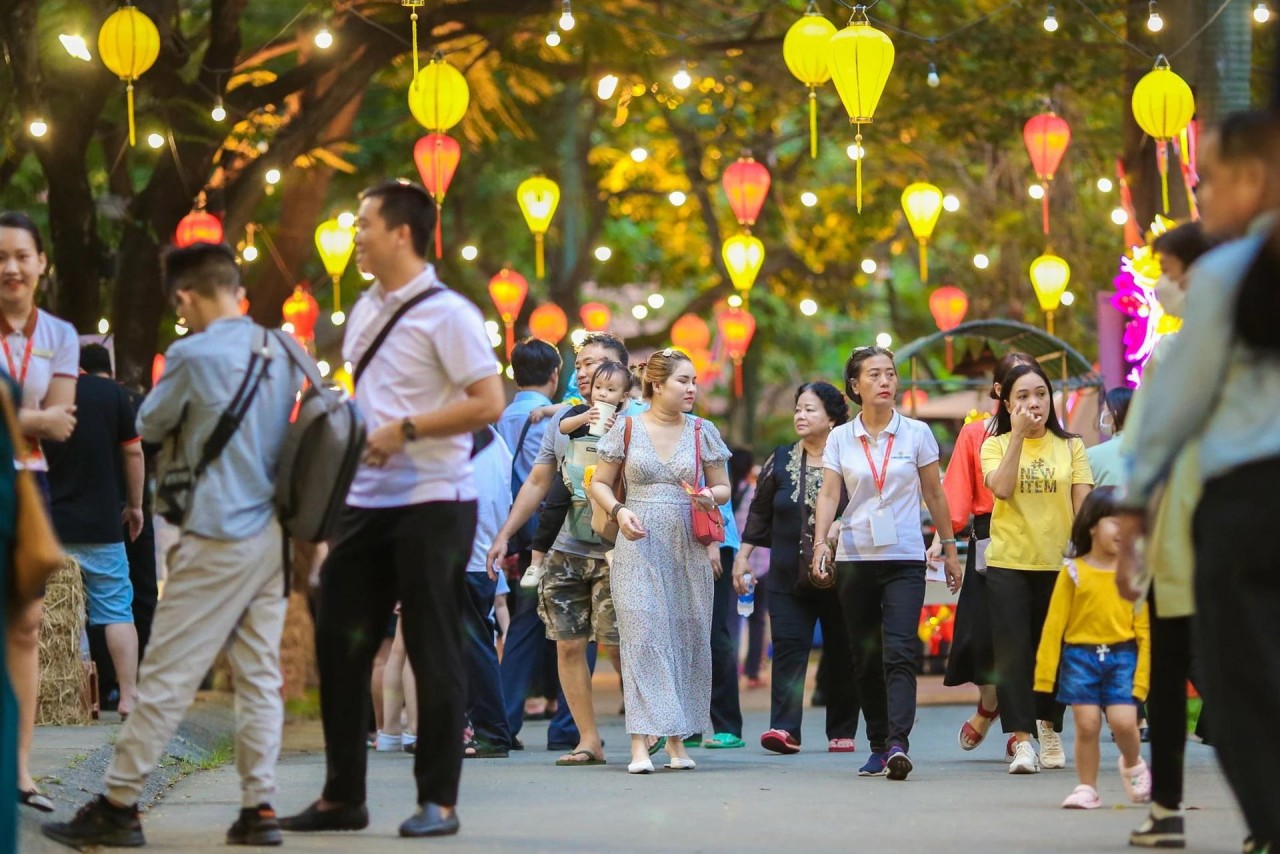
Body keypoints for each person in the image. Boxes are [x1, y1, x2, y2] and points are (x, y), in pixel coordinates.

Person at [43, 242, 308, 848]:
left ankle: (119, 804)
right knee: (259, 675)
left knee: (165, 672)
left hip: (214, 533)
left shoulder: (191, 353)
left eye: (178, 306)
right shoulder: (285, 349)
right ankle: (259, 809)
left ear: (185, 295)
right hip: (272, 537)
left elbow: (151, 423)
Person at [281, 182, 504, 840]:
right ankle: (342, 797)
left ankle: (439, 801)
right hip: (364, 501)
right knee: (340, 642)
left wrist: (407, 430)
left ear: (401, 233)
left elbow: (488, 402)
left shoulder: (450, 314)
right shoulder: (365, 309)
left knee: (433, 648)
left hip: (435, 502)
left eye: (364, 225)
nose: (356, 236)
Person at [1119, 110, 1280, 852]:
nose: (1201, 194)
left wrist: (1135, 503)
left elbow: (1170, 410)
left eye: (1208, 180)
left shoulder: (1228, 275)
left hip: (1246, 504)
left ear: (1252, 178)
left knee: (1241, 679)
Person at [811, 346, 962, 781]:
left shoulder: (916, 433)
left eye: (890, 374)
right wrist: (820, 544)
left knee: (899, 651)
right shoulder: (840, 438)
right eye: (874, 374)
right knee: (864, 656)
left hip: (905, 558)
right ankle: (878, 743)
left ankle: (898, 743)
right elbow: (829, 494)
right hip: (855, 557)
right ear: (855, 385)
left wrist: (949, 549)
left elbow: (934, 493)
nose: (885, 381)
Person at [485, 332, 629, 768]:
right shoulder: (563, 419)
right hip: (567, 548)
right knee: (568, 645)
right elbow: (537, 481)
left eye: (596, 363)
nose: (584, 372)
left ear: (621, 372)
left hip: (620, 550)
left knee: (620, 646)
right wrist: (505, 534)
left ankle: (653, 728)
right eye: (580, 364)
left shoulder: (639, 418)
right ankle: (587, 739)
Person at [1118, 220, 1216, 849]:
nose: (1161, 286)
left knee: (1170, 668)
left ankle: (1167, 809)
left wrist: (1131, 532)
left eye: (1168, 273)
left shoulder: (1173, 354)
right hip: (1242, 531)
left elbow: (1144, 449)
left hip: (1181, 534)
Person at [589, 349, 731, 774]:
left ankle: (676, 741)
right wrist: (619, 511)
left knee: (683, 637)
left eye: (693, 381)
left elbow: (723, 487)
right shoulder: (627, 428)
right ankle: (639, 742)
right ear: (656, 384)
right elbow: (599, 483)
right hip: (637, 541)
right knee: (643, 636)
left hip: (687, 545)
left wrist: (710, 496)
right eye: (683, 381)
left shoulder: (702, 430)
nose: (692, 389)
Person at [0, 211, 78, 815]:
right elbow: (44, 418)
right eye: (0, 258)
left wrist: (20, 420)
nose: (10, 268)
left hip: (29, 487)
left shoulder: (60, 333)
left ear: (41, 263)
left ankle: (20, 771)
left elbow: (63, 421)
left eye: (22, 256)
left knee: (26, 625)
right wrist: (34, 420)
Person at [980, 360, 1093, 775]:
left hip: (1059, 564)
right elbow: (1002, 488)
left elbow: (1084, 508)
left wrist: (1086, 558)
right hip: (1009, 562)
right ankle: (1022, 741)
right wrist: (1016, 438)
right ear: (1007, 404)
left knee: (1056, 651)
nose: (1034, 403)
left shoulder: (1072, 446)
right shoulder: (993, 446)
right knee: (1013, 655)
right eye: (1023, 396)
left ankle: (1048, 726)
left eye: (1041, 394)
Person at [737, 381, 860, 754]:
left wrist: (841, 525)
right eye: (798, 409)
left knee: (842, 651)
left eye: (810, 409)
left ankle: (842, 729)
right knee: (788, 648)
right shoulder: (780, 459)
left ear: (832, 418)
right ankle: (784, 728)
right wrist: (743, 556)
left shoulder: (853, 460)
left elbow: (868, 506)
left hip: (843, 575)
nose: (800, 416)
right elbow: (759, 513)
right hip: (787, 574)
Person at [932, 352, 1034, 760]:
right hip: (989, 540)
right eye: (1017, 385)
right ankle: (990, 704)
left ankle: (1019, 723)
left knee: (1028, 637)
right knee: (982, 637)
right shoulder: (976, 435)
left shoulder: (1053, 438)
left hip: (1037, 539)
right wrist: (942, 538)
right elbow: (957, 492)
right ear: (999, 391)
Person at [1034, 487, 1151, 809]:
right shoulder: (1073, 571)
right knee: (1086, 725)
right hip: (1080, 658)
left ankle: (1133, 763)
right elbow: (1054, 626)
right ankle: (1087, 787)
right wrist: (1044, 676)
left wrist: (1143, 678)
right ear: (1092, 526)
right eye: (1115, 522)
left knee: (1124, 723)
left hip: (1122, 657)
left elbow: (1144, 631)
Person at [46, 344, 144, 722]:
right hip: (103, 525)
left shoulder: (38, 395)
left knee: (56, 615)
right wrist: (135, 506)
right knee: (117, 610)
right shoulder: (113, 394)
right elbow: (133, 454)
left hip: (50, 527)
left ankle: (63, 699)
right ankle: (128, 696)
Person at [493, 337, 576, 751]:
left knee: (525, 620)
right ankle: (568, 726)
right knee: (574, 619)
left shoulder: (501, 417)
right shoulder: (554, 418)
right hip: (554, 525)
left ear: (514, 374)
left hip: (517, 526)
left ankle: (504, 721)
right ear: (555, 374)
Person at [462, 426, 514, 758]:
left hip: (464, 556)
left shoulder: (463, 438)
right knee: (476, 643)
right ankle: (485, 729)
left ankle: (490, 732)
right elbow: (506, 496)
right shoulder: (496, 441)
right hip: (483, 556)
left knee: (472, 647)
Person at [1086, 388, 1133, 489]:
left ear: (1113, 415)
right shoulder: (1151, 451)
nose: (1102, 414)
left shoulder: (1090, 456)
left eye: (1104, 409)